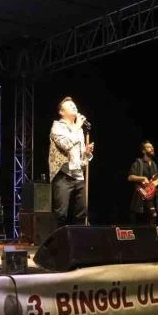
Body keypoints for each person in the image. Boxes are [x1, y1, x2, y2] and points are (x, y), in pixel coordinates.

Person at [48, 96, 94, 226]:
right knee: (61, 214)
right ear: (61, 112)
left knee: (81, 213)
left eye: (74, 105)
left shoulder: (79, 130)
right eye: (70, 106)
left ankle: (78, 238)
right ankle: (58, 239)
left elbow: (80, 159)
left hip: (78, 176)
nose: (74, 106)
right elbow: (66, 144)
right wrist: (77, 127)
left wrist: (86, 153)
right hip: (63, 175)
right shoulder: (57, 127)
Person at [127, 140, 158, 224]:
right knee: (140, 225)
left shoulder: (154, 165)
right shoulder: (138, 163)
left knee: (152, 222)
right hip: (140, 199)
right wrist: (143, 178)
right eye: (149, 147)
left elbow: (156, 180)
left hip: (151, 198)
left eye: (152, 147)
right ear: (143, 151)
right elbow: (130, 177)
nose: (152, 148)